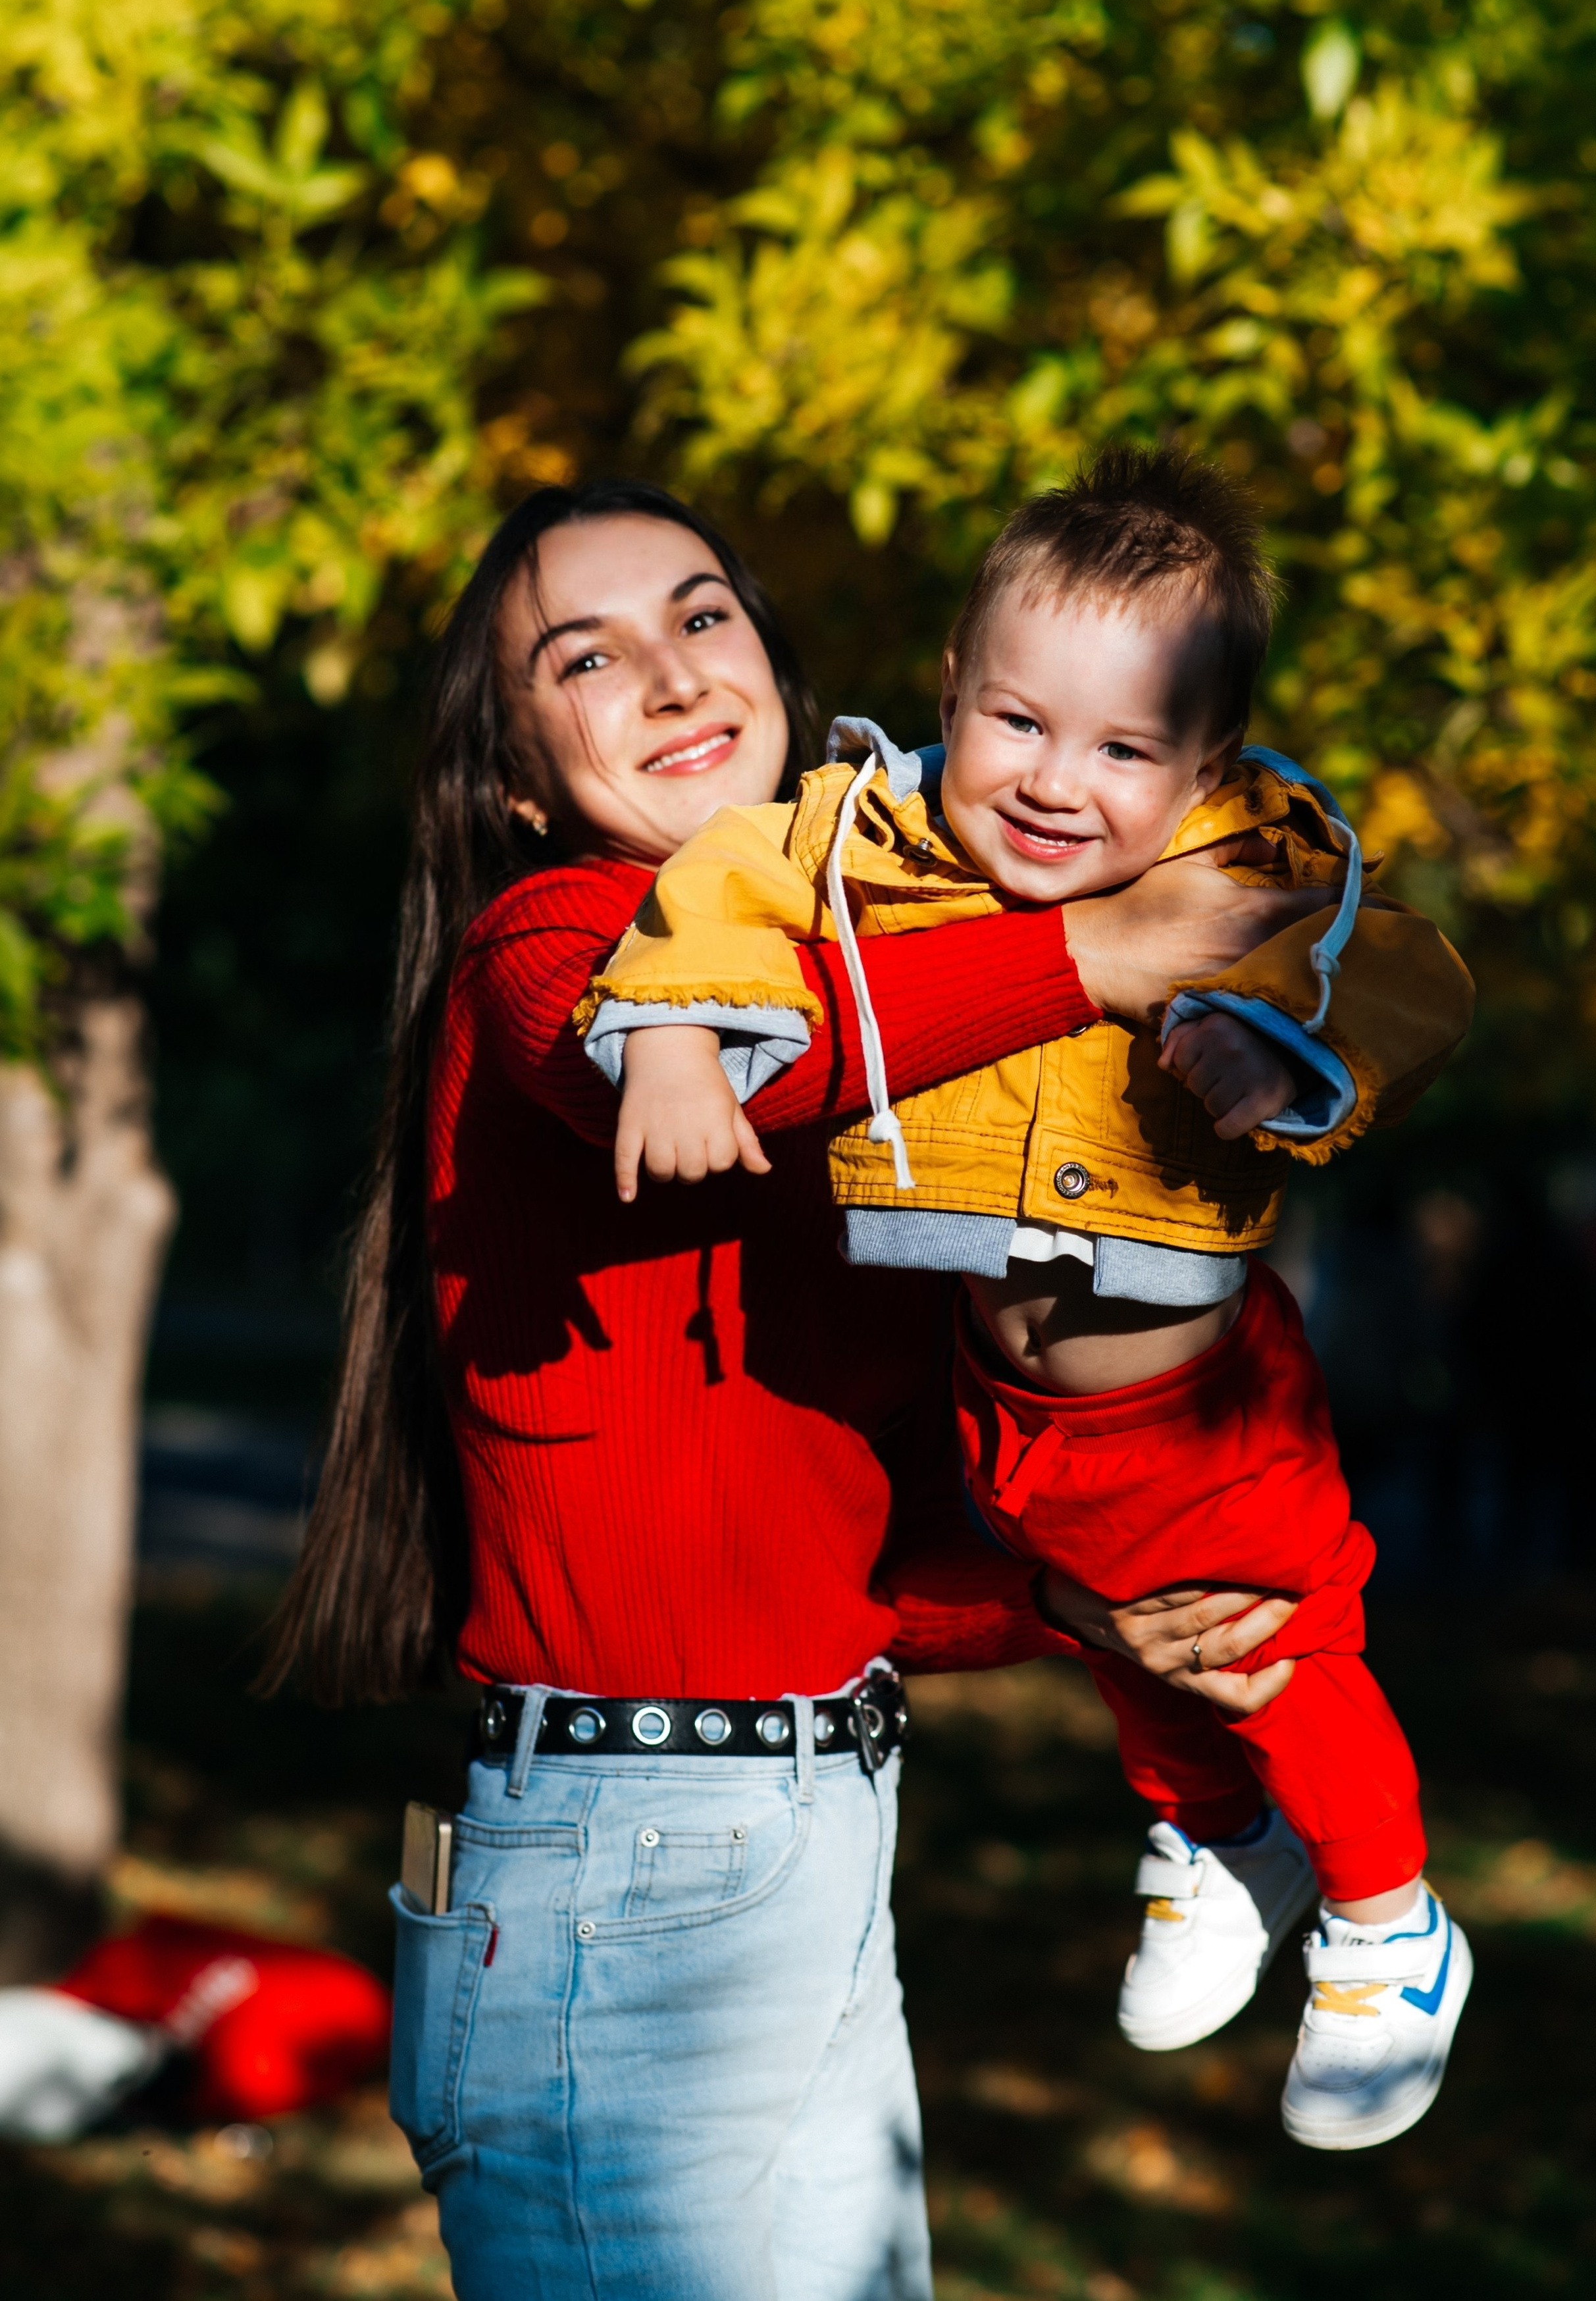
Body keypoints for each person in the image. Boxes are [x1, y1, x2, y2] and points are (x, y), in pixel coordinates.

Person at [263, 475, 1330, 2300]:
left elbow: (847, 1524)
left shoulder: (893, 1042)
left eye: (702, 617)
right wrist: (1095, 950)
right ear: (516, 774)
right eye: (583, 656)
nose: (671, 674)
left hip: (813, 1838)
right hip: (625, 1889)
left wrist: (1091, 1601)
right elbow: (706, 1084)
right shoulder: (550, 946)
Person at [581, 448, 1477, 2153]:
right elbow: (725, 890)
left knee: (1273, 1647)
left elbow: (1395, 959)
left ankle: (1388, 1920)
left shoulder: (1246, 858)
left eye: (1129, 749)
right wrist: (682, 1033)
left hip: (1193, 1397)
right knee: (1131, 1641)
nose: (1061, 782)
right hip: (1014, 1406)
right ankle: (1220, 1832)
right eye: (1020, 724)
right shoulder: (873, 831)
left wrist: (1276, 1030)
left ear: (1205, 763)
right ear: (951, 695)